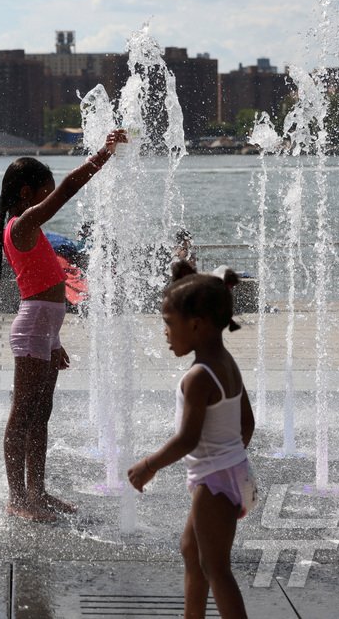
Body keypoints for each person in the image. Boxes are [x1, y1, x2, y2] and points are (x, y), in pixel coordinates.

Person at [0, 130, 124, 521]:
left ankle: (38, 491)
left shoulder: (29, 228)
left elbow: (46, 287)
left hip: (45, 330)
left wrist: (55, 340)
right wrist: (101, 156)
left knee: (42, 412)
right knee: (23, 412)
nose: (48, 201)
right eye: (43, 193)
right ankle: (18, 498)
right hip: (33, 327)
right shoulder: (22, 224)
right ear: (26, 193)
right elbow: (67, 190)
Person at [128, 263, 255, 619]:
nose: (165, 334)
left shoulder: (198, 376)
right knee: (191, 551)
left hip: (215, 481)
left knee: (217, 569)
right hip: (228, 474)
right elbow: (248, 423)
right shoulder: (226, 362)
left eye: (169, 324)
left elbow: (187, 439)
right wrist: (231, 459)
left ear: (196, 324)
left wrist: (148, 465)